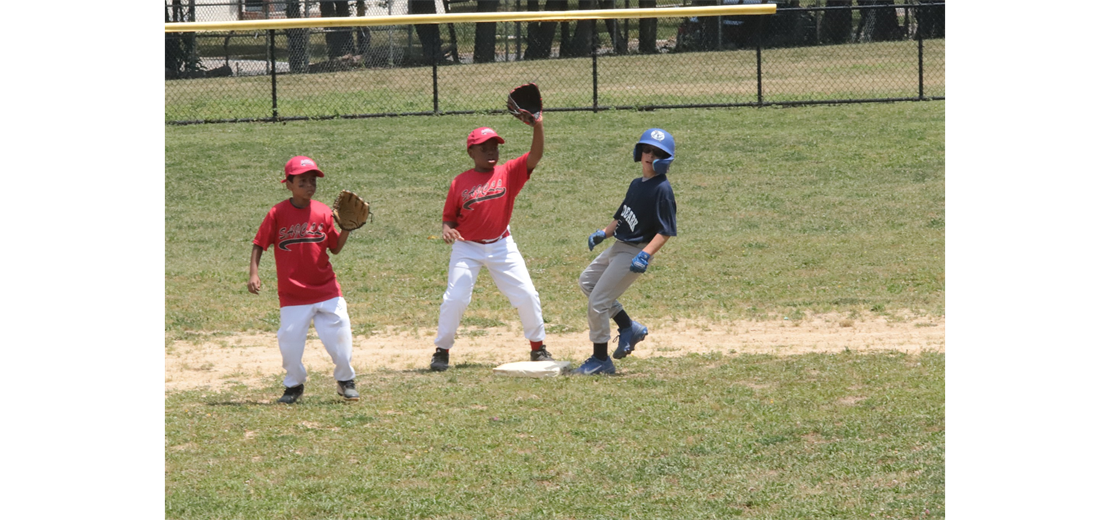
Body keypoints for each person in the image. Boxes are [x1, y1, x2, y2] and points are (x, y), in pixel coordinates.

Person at [430, 119, 552, 371]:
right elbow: (449, 218)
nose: (490, 151)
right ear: (471, 152)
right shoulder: (459, 182)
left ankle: (538, 347)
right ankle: (442, 351)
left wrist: (537, 125)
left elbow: (536, 155)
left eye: (494, 146)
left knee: (527, 294)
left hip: (501, 245)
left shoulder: (509, 172)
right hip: (467, 247)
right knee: (456, 298)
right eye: (484, 147)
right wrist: (447, 229)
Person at [248, 156, 360, 403]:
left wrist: (347, 229)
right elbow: (259, 244)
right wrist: (254, 273)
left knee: (341, 341)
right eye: (302, 181)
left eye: (313, 181)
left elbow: (335, 248)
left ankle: (345, 381)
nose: (309, 186)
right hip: (293, 294)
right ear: (288, 183)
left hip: (327, 290)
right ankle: (294, 385)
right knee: (289, 345)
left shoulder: (323, 211)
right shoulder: (277, 213)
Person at [574, 128, 679, 375]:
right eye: (646, 149)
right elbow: (621, 218)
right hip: (619, 245)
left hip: (635, 251)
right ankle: (628, 327)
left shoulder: (662, 190)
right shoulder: (636, 184)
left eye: (657, 152)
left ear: (665, 159)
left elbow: (665, 231)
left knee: (598, 302)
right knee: (587, 283)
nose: (650, 155)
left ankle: (601, 360)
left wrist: (645, 255)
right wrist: (603, 233)